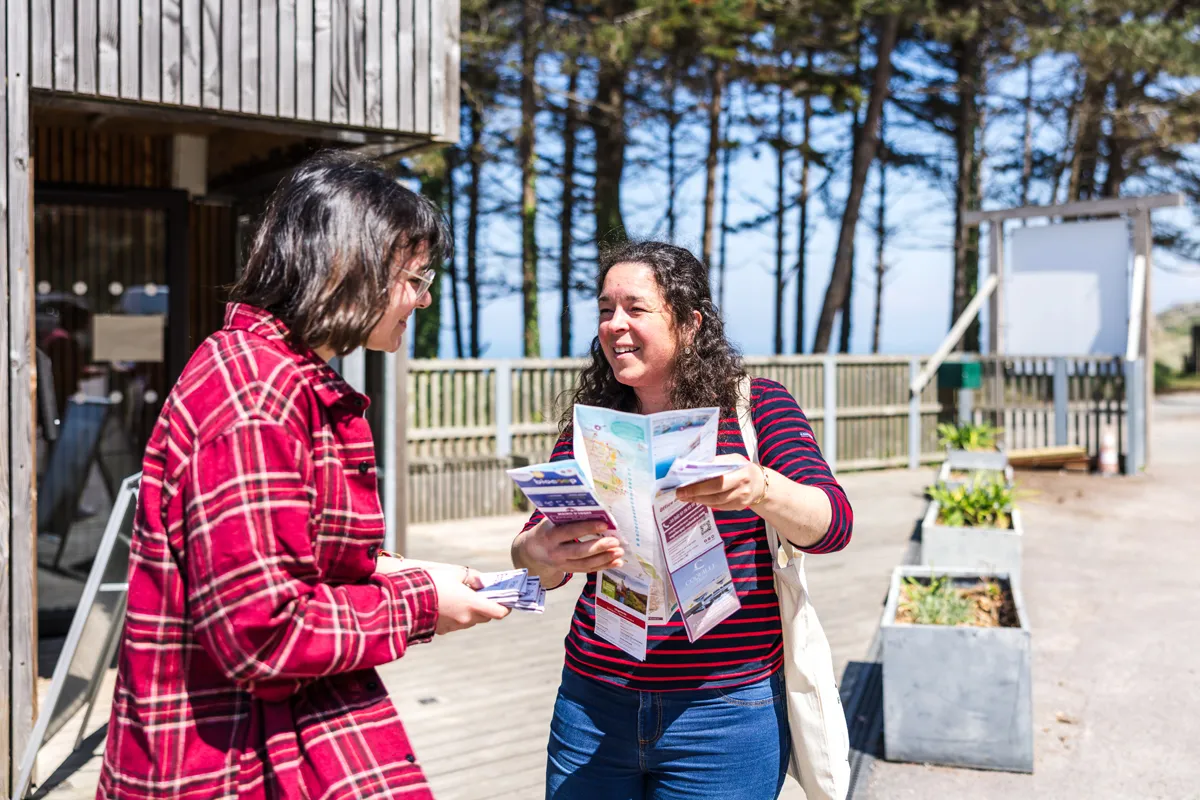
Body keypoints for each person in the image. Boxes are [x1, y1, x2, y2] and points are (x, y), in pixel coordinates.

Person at [98, 152, 510, 800]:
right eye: (416, 276)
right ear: (350, 267)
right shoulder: (257, 396)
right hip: (231, 762)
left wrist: (401, 571)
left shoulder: (271, 370)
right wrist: (425, 604)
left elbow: (288, 552)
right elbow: (265, 630)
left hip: (261, 739)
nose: (426, 297)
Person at [511, 241, 854, 799]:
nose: (614, 325)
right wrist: (537, 554)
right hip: (594, 703)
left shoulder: (755, 408)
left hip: (725, 713)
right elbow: (536, 557)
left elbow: (833, 524)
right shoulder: (593, 427)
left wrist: (759, 486)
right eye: (604, 309)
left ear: (691, 323)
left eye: (635, 309)